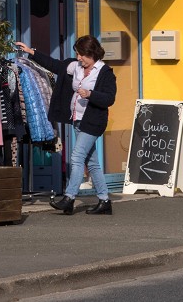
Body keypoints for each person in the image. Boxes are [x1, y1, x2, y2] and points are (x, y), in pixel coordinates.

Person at [14, 35, 116, 215]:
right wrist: (31, 52)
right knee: (92, 163)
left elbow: (109, 98)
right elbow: (54, 65)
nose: (78, 58)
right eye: (77, 54)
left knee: (76, 158)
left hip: (93, 121)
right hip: (78, 119)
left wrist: (90, 94)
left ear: (91, 53)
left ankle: (69, 198)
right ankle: (104, 200)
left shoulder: (105, 72)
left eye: (81, 55)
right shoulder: (74, 66)